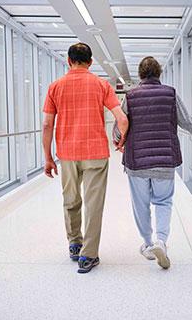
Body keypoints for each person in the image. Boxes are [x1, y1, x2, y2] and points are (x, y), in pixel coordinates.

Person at [114, 56, 192, 269]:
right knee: (163, 201)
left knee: (140, 204)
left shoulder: (130, 96)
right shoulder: (170, 93)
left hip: (137, 162)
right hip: (164, 160)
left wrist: (117, 140)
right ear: (159, 73)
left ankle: (148, 244)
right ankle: (161, 241)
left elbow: (120, 123)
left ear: (140, 75)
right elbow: (186, 120)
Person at [42, 42, 129, 274]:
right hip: (96, 153)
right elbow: (122, 119)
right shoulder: (101, 85)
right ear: (90, 62)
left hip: (67, 153)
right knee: (93, 204)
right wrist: (121, 142)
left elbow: (47, 124)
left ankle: (74, 243)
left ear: (69, 61)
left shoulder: (55, 87)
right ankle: (88, 255)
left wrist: (48, 158)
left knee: (71, 200)